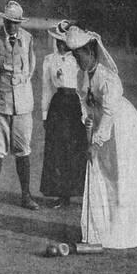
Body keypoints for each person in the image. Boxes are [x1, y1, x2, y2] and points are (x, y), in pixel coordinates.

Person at [65, 26, 137, 248]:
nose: (75, 58)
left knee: (121, 173)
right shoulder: (82, 75)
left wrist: (96, 143)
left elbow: (109, 112)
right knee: (103, 174)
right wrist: (87, 120)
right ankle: (102, 230)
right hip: (101, 124)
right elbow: (84, 101)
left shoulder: (108, 77)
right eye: (72, 54)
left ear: (90, 51)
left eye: (78, 53)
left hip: (122, 126)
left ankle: (127, 231)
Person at [0, 0, 39, 211]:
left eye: (17, 22)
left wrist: (21, 90)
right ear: (3, 20)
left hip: (22, 105)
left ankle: (26, 195)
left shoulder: (28, 39)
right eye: (10, 21)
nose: (13, 26)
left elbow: (30, 69)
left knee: (23, 151)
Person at [40, 20, 87, 208]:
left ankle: (78, 192)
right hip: (57, 106)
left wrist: (85, 113)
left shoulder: (78, 60)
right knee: (57, 150)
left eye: (63, 41)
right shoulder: (49, 60)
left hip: (75, 106)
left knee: (74, 149)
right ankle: (61, 194)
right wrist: (44, 115)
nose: (60, 44)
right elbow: (46, 88)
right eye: (57, 40)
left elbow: (84, 87)